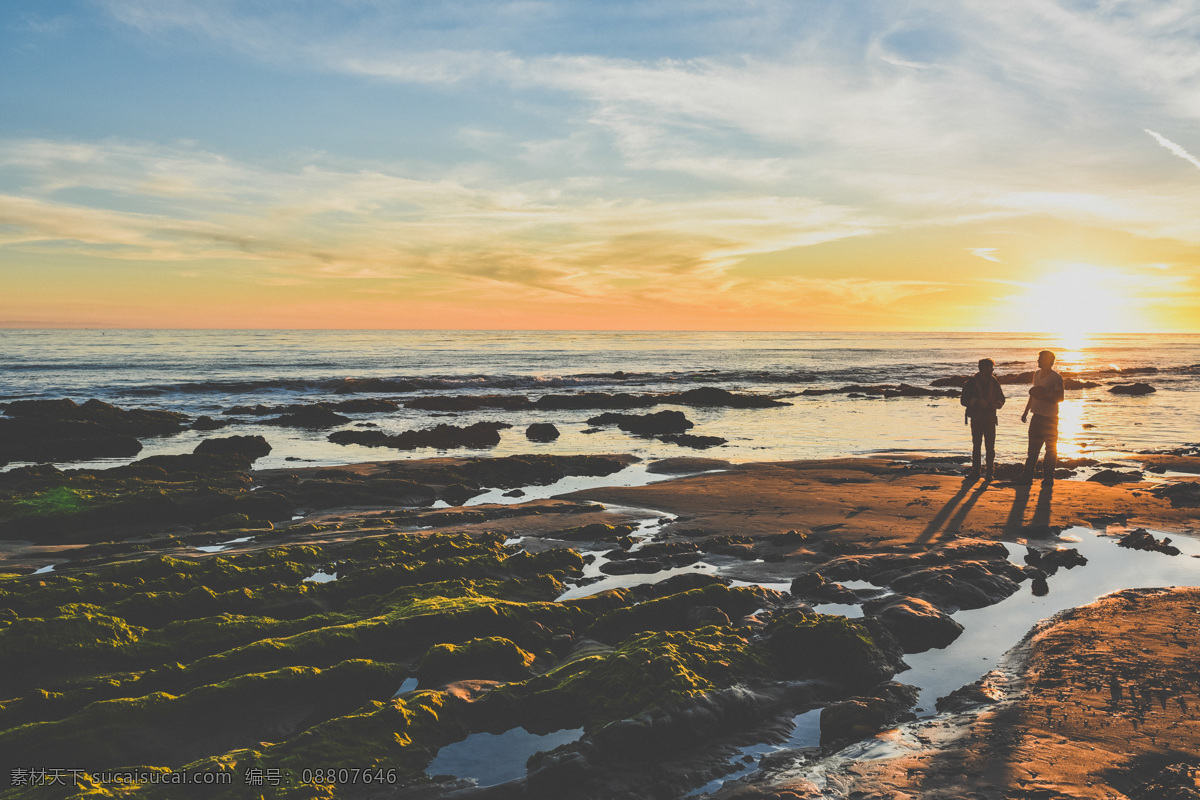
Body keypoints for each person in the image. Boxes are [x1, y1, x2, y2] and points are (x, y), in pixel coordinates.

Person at [1020, 349, 1065, 485]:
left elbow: (1060, 398)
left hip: (1050, 418)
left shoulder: (1056, 378)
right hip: (1036, 416)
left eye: (1040, 359)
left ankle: (1048, 477)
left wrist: (1044, 396)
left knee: (1050, 449)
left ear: (1048, 361)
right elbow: (1033, 394)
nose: (1037, 361)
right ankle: (1027, 477)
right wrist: (1026, 411)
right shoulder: (1037, 374)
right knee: (1032, 449)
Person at [960, 357, 1006, 480]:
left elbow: (1002, 398)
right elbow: (963, 400)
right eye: (990, 367)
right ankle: (976, 471)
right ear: (984, 368)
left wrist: (997, 404)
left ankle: (990, 473)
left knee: (990, 447)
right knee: (977, 446)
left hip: (990, 418)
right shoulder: (970, 383)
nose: (992, 370)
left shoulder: (994, 382)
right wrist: (976, 402)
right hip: (976, 418)